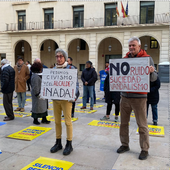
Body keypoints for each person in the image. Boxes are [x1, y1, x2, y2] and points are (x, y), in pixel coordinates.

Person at [117, 36, 158, 160]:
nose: (131, 48)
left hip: (139, 97)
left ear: (139, 46)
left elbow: (154, 78)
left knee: (142, 124)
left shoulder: (147, 59)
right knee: (123, 123)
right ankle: (125, 144)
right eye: (130, 45)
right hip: (124, 96)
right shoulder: (124, 59)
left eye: (133, 45)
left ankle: (144, 149)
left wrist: (152, 72)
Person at [50, 48, 79, 156]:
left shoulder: (71, 69)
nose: (58, 58)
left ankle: (69, 143)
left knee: (67, 121)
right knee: (57, 121)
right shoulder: (53, 69)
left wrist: (74, 95)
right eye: (57, 56)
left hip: (67, 100)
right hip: (56, 100)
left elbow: (75, 85)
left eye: (60, 56)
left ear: (65, 58)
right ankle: (58, 142)